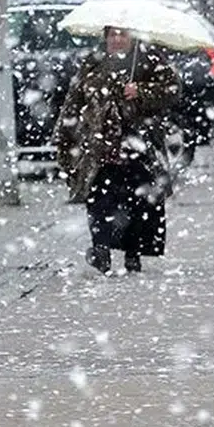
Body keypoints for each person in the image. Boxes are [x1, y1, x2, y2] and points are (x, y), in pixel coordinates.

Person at [55, 27, 182, 275]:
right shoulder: (93, 62)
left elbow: (172, 90)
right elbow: (74, 101)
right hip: (101, 147)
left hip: (140, 145)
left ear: (132, 37)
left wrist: (141, 92)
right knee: (100, 200)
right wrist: (66, 138)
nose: (116, 39)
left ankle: (133, 254)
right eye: (112, 34)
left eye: (122, 34)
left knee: (139, 202)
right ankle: (100, 250)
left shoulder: (148, 59)